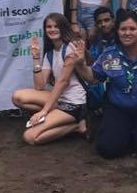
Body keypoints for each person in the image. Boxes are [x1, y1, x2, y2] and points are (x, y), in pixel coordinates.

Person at [72, 9, 137, 160]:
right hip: (118, 107)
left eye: (132, 29)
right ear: (117, 31)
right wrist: (80, 65)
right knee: (107, 150)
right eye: (123, 29)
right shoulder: (110, 54)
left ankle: (136, 133)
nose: (127, 33)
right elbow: (93, 78)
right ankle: (126, 133)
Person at [12, 13, 89, 145]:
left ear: (63, 28)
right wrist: (36, 58)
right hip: (59, 99)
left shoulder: (70, 48)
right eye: (49, 26)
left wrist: (44, 111)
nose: (52, 29)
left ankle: (76, 126)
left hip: (74, 103)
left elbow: (63, 82)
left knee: (30, 137)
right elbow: (39, 86)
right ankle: (54, 117)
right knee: (17, 97)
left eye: (56, 26)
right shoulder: (50, 53)